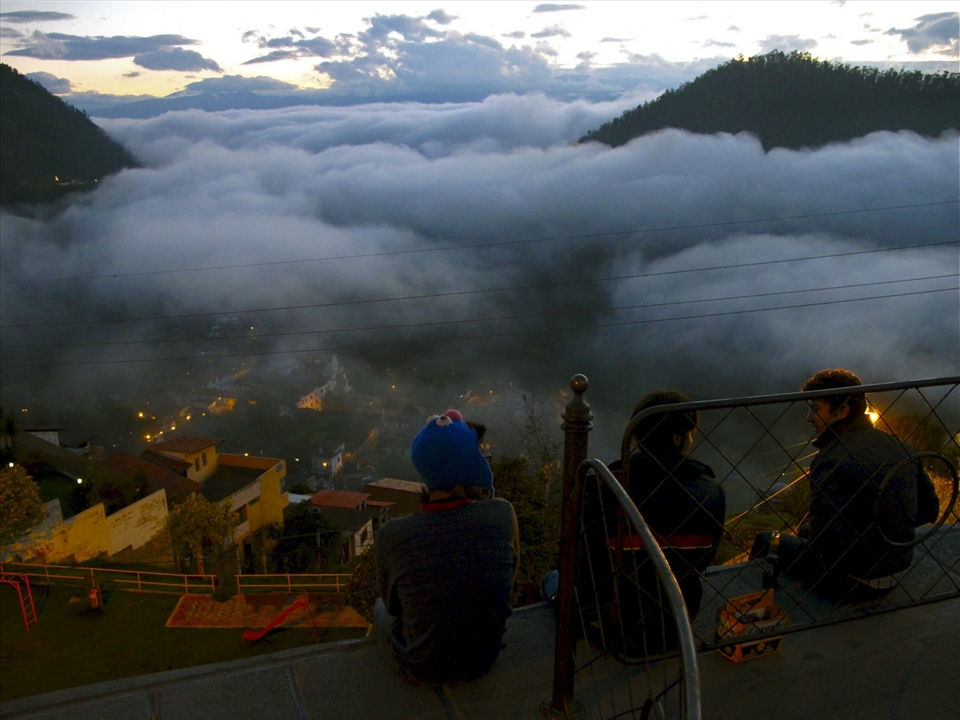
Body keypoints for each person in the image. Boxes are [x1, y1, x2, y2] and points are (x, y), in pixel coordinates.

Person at [752, 368, 939, 602]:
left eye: (815, 409)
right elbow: (929, 510)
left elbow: (827, 544)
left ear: (842, 411)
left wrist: (820, 532)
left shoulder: (831, 460)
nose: (808, 417)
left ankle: (756, 605)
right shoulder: (902, 448)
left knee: (766, 540)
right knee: (806, 532)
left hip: (852, 582)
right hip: (896, 571)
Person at [567, 390, 725, 660]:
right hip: (678, 620)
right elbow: (704, 559)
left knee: (552, 581)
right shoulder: (712, 491)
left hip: (614, 624)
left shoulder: (606, 486)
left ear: (637, 435)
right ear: (679, 438)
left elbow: (585, 562)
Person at [374, 410, 519, 683]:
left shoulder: (392, 535)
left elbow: (393, 606)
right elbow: (509, 578)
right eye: (479, 453)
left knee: (379, 609)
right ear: (467, 465)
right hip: (484, 660)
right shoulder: (503, 515)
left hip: (423, 668)